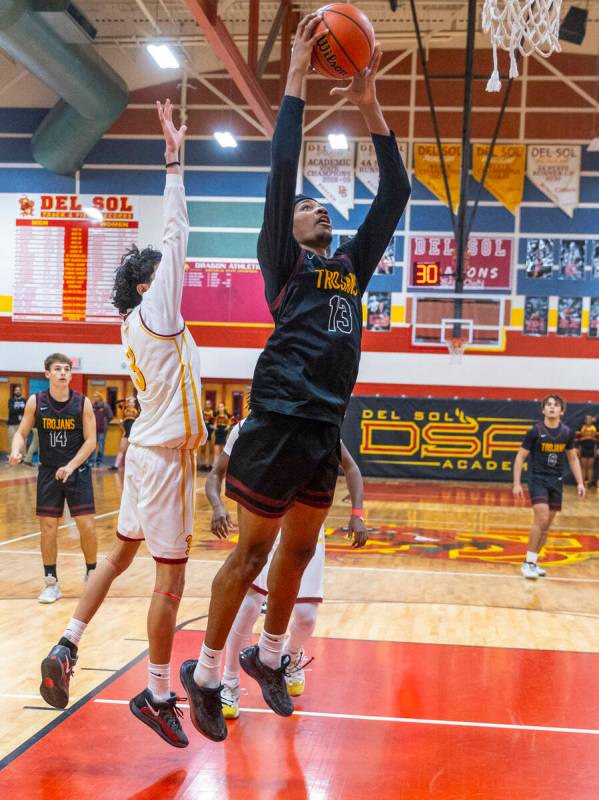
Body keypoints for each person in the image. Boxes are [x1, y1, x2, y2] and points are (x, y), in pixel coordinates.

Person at [180, 13, 410, 743]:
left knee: (302, 551)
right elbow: (283, 167)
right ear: (289, 226)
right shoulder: (281, 259)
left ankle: (269, 655)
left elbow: (395, 194)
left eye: (320, 205)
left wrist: (369, 101)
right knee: (250, 552)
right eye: (307, 206)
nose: (315, 205)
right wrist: (296, 79)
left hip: (320, 422)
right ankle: (208, 674)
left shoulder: (347, 268)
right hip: (276, 413)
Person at [38, 99, 206, 751]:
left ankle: (67, 642)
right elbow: (177, 233)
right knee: (170, 581)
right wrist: (172, 158)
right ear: (144, 287)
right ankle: (159, 693)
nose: (171, 275)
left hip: (144, 453)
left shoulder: (135, 325)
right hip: (162, 458)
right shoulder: (157, 311)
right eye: (158, 274)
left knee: (119, 554)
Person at [205, 419, 368, 719]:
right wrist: (218, 507)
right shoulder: (244, 429)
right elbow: (215, 475)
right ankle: (228, 681)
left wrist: (357, 513)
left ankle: (290, 656)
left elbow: (352, 469)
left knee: (306, 617)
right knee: (249, 606)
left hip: (306, 528)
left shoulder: (318, 426)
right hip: (266, 522)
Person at [9, 354, 97, 602]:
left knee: (87, 526)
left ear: (70, 374)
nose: (62, 373)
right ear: (47, 374)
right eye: (57, 369)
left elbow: (91, 441)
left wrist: (70, 465)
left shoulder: (82, 403)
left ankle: (92, 573)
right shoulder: (36, 402)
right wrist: (17, 449)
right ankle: (51, 582)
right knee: (48, 529)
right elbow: (22, 431)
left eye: (66, 369)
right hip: (48, 471)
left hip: (77, 470)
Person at [513, 394, 585, 579]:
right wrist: (517, 483)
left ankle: (533, 562)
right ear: (543, 410)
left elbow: (573, 458)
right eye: (549, 405)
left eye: (556, 405)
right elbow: (520, 457)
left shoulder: (567, 433)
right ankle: (528, 563)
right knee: (542, 518)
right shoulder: (535, 432)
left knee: (546, 525)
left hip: (556, 481)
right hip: (538, 479)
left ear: (562, 410)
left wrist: (580, 482)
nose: (552, 407)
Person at [110, 395, 139, 470]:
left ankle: (134, 467)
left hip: (134, 433)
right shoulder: (124, 409)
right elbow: (116, 403)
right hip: (125, 433)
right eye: (130, 402)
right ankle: (116, 465)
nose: (131, 404)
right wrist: (125, 399)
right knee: (121, 449)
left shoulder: (137, 410)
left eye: (133, 402)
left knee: (132, 451)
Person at [91, 392, 113, 467]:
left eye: (97, 396)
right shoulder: (92, 406)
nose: (95, 398)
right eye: (94, 397)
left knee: (101, 446)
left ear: (100, 397)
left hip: (102, 430)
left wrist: (105, 423)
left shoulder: (105, 406)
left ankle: (99, 461)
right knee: (92, 446)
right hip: (93, 429)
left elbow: (110, 416)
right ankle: (92, 461)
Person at [576, 414, 597, 485]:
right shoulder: (581, 428)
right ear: (585, 420)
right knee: (583, 467)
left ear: (592, 420)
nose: (588, 420)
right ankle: (582, 483)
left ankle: (590, 483)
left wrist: (597, 449)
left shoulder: (595, 428)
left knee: (590, 467)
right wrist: (578, 449)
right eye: (587, 419)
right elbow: (577, 439)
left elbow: (597, 439)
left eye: (589, 419)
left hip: (592, 449)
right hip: (583, 448)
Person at [7, 385, 26, 458]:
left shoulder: (24, 400)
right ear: (14, 391)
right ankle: (12, 456)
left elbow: (26, 410)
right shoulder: (11, 400)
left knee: (22, 440)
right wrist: (21, 409)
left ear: (21, 391)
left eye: (19, 390)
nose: (18, 391)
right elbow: (12, 410)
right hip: (12, 423)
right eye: (16, 390)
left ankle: (22, 456)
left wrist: (17, 409)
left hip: (21, 424)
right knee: (11, 439)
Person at [199, 398, 215, 470]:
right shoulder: (202, 412)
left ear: (210, 405)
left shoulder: (213, 412)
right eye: (206, 404)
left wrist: (214, 426)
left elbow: (215, 422)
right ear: (204, 405)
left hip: (211, 432)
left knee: (211, 450)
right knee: (203, 449)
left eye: (209, 404)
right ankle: (203, 464)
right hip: (204, 432)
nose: (207, 405)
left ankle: (211, 465)